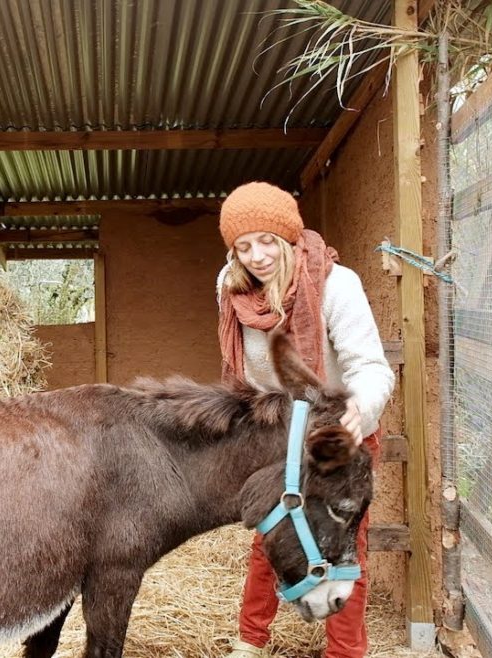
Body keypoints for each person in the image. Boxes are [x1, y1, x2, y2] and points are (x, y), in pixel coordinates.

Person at [216, 181, 395, 658]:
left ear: (288, 238)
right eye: (243, 245)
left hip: (340, 437)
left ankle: (344, 653)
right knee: (269, 536)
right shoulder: (230, 289)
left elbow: (371, 367)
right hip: (283, 436)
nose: (256, 255)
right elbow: (245, 375)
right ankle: (249, 642)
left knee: (342, 548)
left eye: (266, 240)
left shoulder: (337, 285)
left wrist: (361, 407)